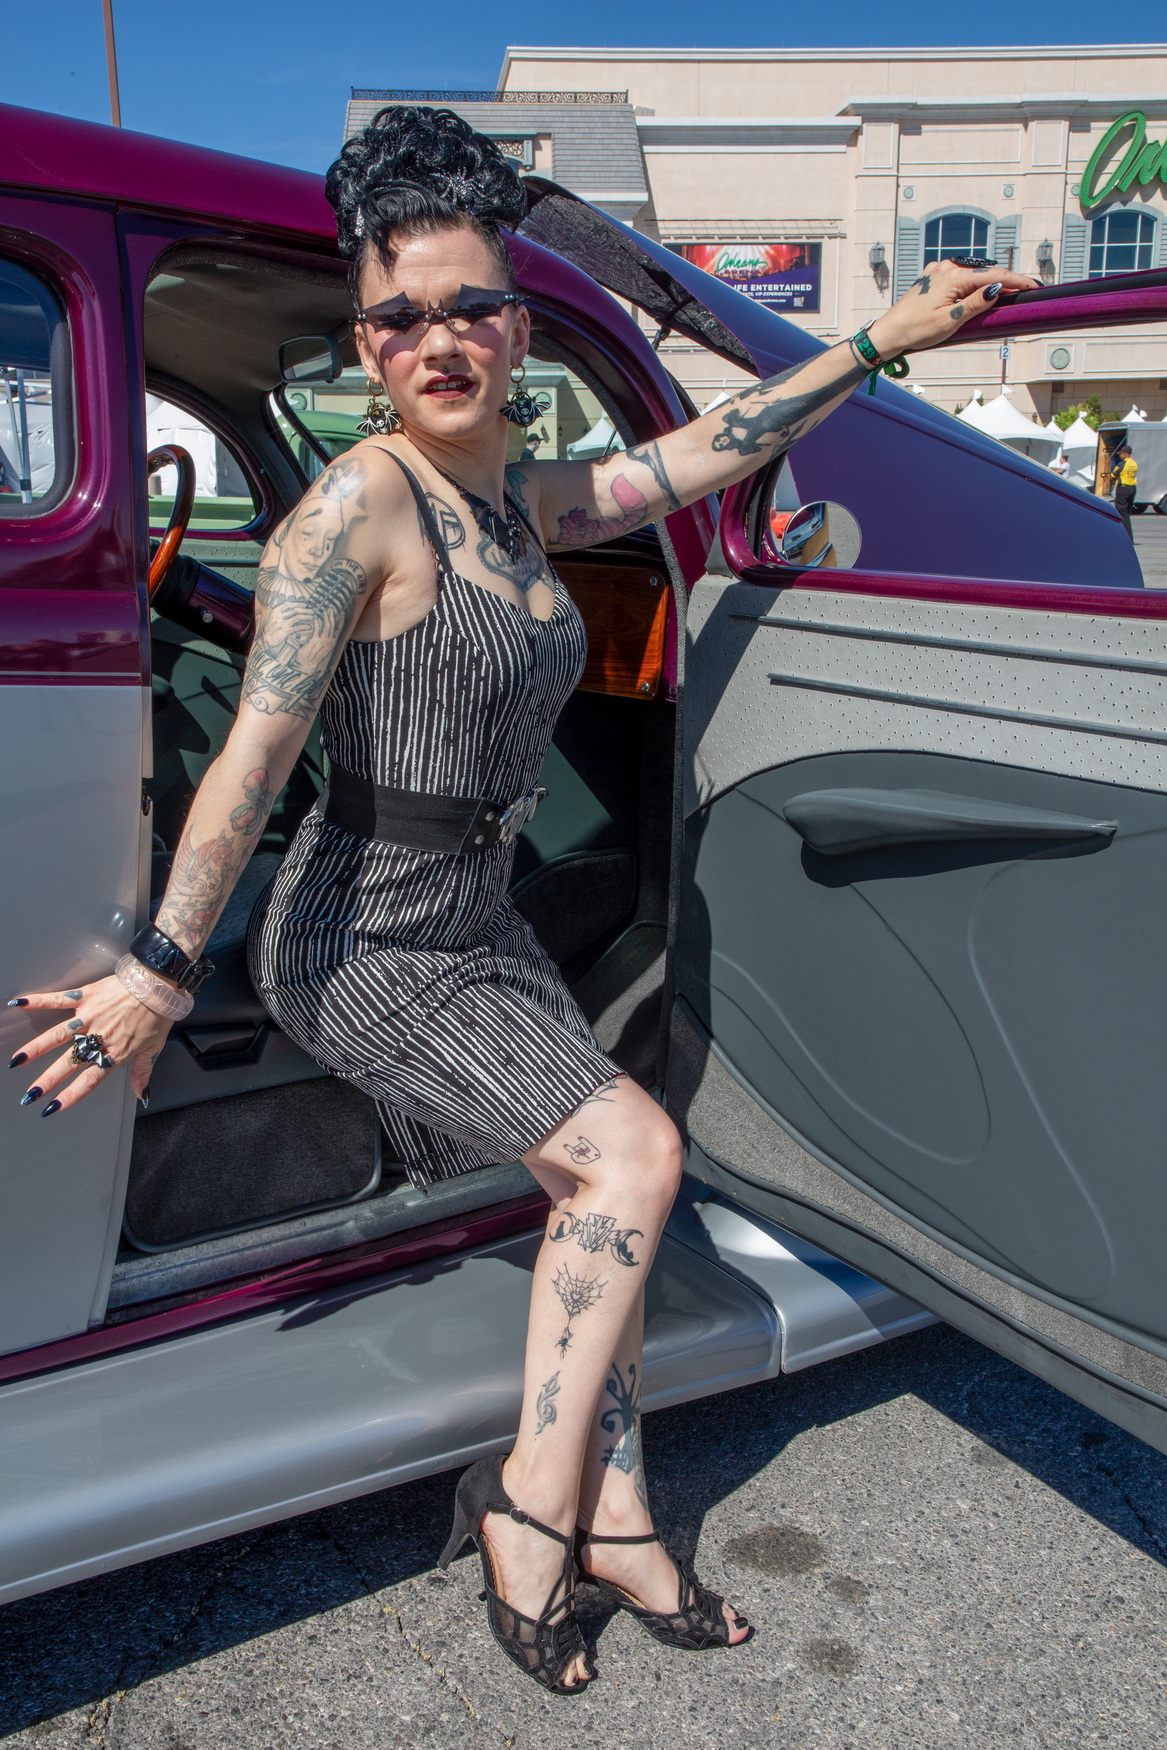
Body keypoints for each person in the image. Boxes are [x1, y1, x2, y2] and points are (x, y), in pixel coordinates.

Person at [8, 108, 1038, 1694]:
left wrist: (874, 341)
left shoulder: (516, 500)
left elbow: (699, 452)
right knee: (631, 1156)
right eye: (398, 316)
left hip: (474, 918)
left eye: (471, 305)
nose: (438, 340)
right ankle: (530, 1504)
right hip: (361, 933)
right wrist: (158, 964)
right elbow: (253, 756)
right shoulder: (358, 504)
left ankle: (616, 1509)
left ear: (515, 325)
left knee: (595, 1194)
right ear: (363, 343)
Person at [1111, 442, 1138, 539]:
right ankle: (1127, 536)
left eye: (1120, 454)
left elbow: (1113, 475)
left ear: (1124, 454)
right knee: (1127, 513)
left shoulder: (1122, 464)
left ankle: (1126, 537)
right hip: (1132, 488)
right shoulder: (1134, 464)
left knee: (1121, 513)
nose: (1120, 456)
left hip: (1123, 489)